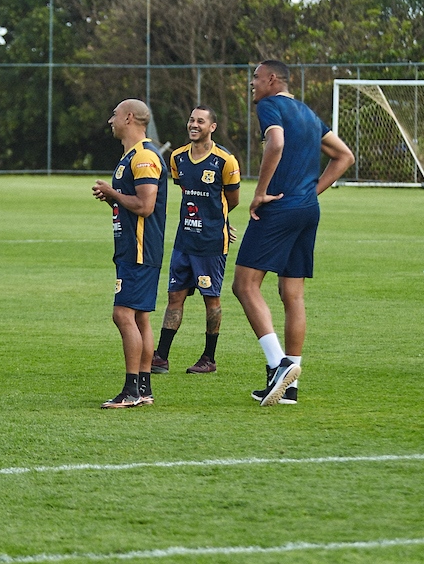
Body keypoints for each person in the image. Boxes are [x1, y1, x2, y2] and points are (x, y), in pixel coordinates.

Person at [232, 61, 354, 407]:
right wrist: (311, 193)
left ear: (272, 79)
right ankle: (291, 385)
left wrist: (261, 192)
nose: (252, 84)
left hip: (278, 208)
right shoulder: (308, 113)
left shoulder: (270, 106)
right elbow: (345, 156)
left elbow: (276, 144)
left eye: (255, 78)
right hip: (306, 210)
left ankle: (278, 364)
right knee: (292, 293)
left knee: (244, 285)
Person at [151, 105, 240, 375]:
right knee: (174, 295)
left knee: (211, 299)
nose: (194, 124)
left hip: (211, 242)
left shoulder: (225, 161)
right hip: (184, 240)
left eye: (200, 121)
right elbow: (186, 191)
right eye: (191, 119)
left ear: (212, 127)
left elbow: (231, 199)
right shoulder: (177, 158)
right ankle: (161, 356)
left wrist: (220, 220)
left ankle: (208, 358)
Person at [92, 99, 167, 408]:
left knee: (122, 314)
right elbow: (131, 202)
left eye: (114, 115)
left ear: (129, 117)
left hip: (139, 249)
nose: (111, 120)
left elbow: (146, 206)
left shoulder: (145, 156)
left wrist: (112, 193)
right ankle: (144, 388)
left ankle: (131, 391)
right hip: (132, 247)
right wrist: (113, 200)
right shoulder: (130, 156)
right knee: (140, 318)